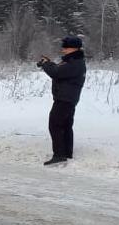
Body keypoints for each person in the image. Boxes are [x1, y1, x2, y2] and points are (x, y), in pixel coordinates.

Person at [37, 36, 86, 165]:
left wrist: (46, 64)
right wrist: (48, 63)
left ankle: (59, 155)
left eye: (65, 47)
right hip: (67, 98)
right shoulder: (73, 61)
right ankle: (66, 153)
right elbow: (59, 70)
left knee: (55, 125)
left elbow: (56, 73)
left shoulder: (75, 62)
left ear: (74, 48)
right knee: (65, 125)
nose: (63, 50)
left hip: (65, 99)